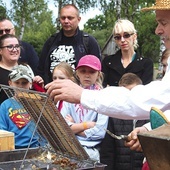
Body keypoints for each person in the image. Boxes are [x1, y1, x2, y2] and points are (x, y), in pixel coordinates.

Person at [44, 0, 170, 120]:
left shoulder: (145, 62)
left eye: (163, 23)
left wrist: (82, 95)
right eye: (117, 37)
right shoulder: (109, 61)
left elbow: (148, 101)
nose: (157, 30)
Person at [37, 4, 101, 85]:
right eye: (63, 18)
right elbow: (41, 69)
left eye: (70, 18)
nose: (66, 21)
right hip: (52, 92)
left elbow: (97, 69)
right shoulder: (51, 41)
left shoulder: (88, 42)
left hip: (78, 92)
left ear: (78, 19)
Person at [60, 55, 108, 161]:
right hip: (70, 147)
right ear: (77, 73)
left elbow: (100, 131)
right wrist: (86, 125)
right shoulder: (69, 95)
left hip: (91, 150)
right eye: (83, 71)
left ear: (98, 74)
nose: (87, 75)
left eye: (92, 72)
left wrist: (74, 127)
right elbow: (62, 126)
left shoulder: (103, 97)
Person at [100, 73, 148, 170]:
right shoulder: (114, 117)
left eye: (132, 92)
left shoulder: (149, 116)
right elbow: (107, 151)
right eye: (125, 93)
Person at [0, 64, 46, 149]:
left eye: (24, 83)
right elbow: (2, 131)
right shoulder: (4, 106)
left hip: (36, 146)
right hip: (13, 147)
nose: (20, 86)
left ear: (30, 84)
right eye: (17, 83)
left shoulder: (37, 103)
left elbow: (46, 128)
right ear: (10, 83)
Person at [102, 19, 153, 87]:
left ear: (134, 36)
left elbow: (146, 91)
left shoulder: (146, 64)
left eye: (126, 35)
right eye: (118, 37)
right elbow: (103, 87)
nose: (122, 40)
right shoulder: (107, 62)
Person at [0, 34, 44, 104]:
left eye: (17, 46)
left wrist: (39, 86)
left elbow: (36, 99)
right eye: (10, 47)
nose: (14, 50)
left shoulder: (26, 68)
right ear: (1, 51)